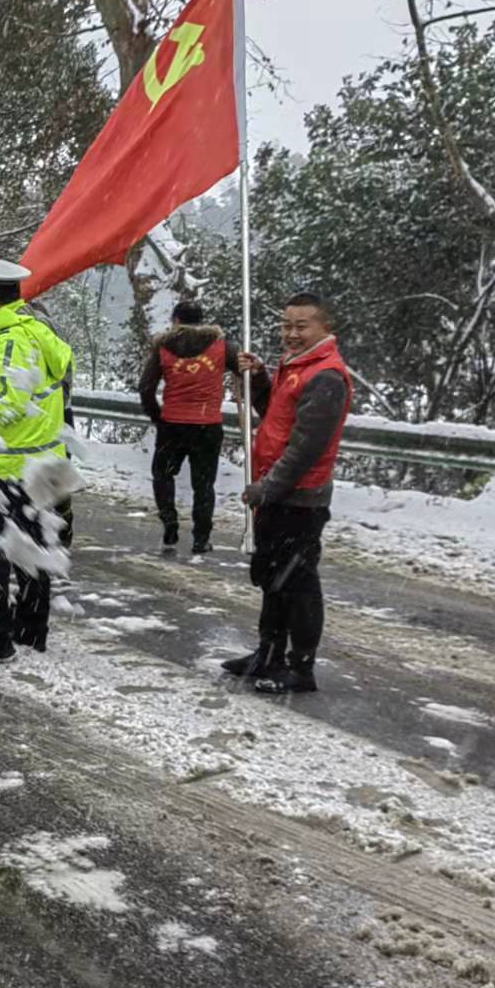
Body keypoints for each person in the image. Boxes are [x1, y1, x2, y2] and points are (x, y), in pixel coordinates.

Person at [224, 292, 352, 695]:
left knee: (297, 582)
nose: (291, 333)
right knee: (272, 579)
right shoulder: (296, 365)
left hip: (300, 499)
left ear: (325, 328)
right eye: (286, 325)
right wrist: (259, 379)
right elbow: (275, 416)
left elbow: (304, 449)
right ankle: (268, 654)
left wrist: (268, 487)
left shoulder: (326, 376)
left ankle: (300, 666)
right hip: (278, 495)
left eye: (301, 326)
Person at [0, 256, 76, 665]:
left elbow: (10, 402)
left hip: (10, 468)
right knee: (33, 547)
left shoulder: (10, 339)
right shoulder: (40, 332)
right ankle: (30, 628)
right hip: (43, 464)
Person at [138, 300, 240, 555]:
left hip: (172, 425)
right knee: (204, 485)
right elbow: (245, 370)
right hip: (208, 425)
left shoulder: (163, 347)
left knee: (163, 475)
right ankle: (201, 539)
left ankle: (170, 522)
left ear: (176, 321)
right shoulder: (222, 347)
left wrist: (158, 417)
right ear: (201, 320)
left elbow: (146, 388)